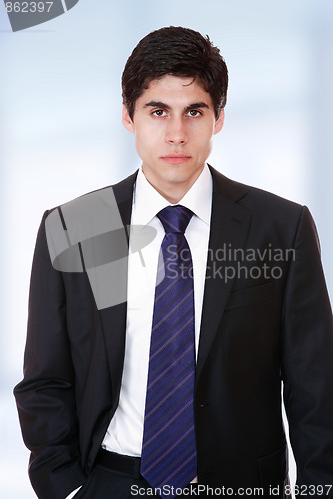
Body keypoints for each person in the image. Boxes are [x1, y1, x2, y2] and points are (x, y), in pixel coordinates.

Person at [14, 26, 333, 499]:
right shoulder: (78, 227)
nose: (176, 134)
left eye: (195, 112)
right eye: (158, 111)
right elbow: (46, 380)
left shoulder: (278, 227)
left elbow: (316, 388)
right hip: (109, 482)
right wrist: (65, 489)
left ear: (218, 118)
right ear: (128, 116)